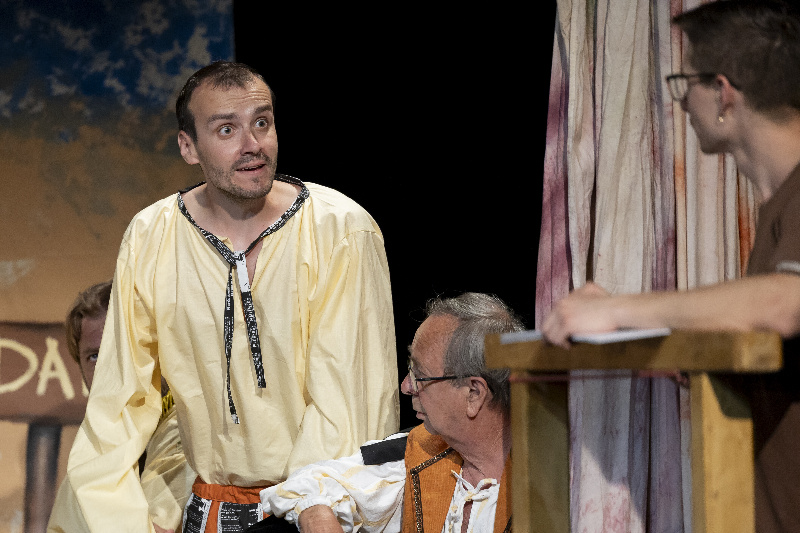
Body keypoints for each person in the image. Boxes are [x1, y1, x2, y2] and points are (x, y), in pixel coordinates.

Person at [47, 61, 399, 533]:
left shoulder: (340, 229)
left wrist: (311, 506)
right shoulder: (153, 235)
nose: (252, 144)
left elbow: (350, 401)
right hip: (211, 511)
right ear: (188, 146)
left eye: (262, 122)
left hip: (317, 512)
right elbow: (119, 402)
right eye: (227, 129)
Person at [541, 2, 800, 532]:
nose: (681, 102)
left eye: (686, 83)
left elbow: (786, 302)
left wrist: (616, 311)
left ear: (724, 93)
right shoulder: (778, 206)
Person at [257, 292, 522, 533]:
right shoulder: (418, 453)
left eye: (420, 376)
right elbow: (311, 483)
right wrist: (317, 516)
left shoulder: (542, 484)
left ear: (474, 393)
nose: (406, 387)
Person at [48, 280, 196, 533]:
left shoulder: (191, 430)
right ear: (80, 366)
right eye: (94, 356)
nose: (109, 366)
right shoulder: (93, 447)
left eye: (121, 349)